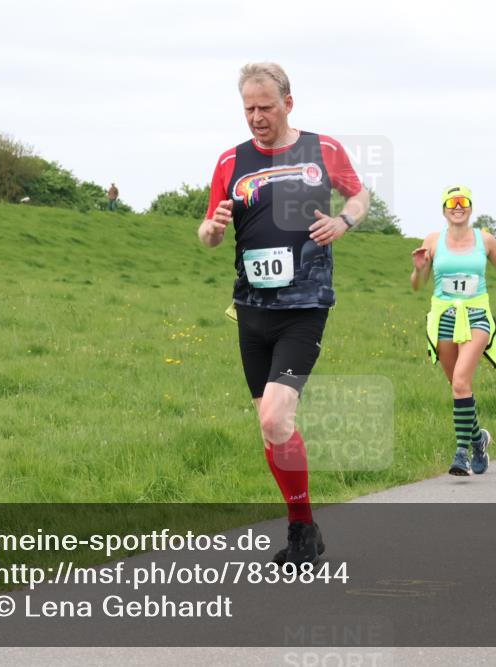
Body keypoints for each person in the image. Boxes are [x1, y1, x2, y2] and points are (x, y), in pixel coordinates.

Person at [198, 63, 368, 565]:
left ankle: (301, 528)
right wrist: (213, 227)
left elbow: (359, 195)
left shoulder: (323, 150)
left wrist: (343, 222)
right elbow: (207, 234)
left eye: (265, 107)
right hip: (251, 310)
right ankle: (304, 530)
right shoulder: (231, 161)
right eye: (248, 108)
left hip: (304, 307)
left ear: (288, 104)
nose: (256, 117)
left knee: (276, 415)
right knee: (271, 428)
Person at [411, 185, 496, 476]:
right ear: (444, 209)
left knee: (461, 380)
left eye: (463, 202)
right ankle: (479, 439)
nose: (457, 207)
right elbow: (416, 284)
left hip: (476, 315)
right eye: (451, 202)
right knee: (459, 387)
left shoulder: (485, 239)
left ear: (470, 207)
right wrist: (419, 268)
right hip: (444, 316)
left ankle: (462, 454)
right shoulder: (433, 240)